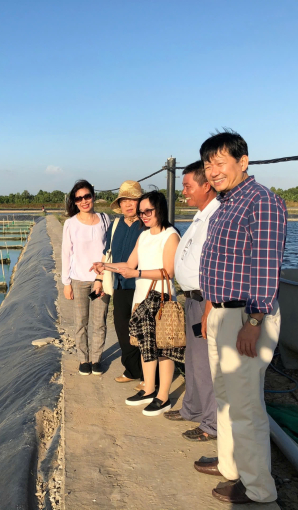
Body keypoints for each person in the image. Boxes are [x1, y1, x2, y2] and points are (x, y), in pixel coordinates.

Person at [193, 130, 287, 505]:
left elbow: (266, 265)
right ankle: (232, 466)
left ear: (242, 161)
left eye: (220, 162)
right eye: (207, 164)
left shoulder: (260, 202)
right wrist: (210, 310)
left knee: (246, 405)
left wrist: (254, 320)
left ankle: (258, 488)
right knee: (227, 397)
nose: (213, 171)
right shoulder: (228, 202)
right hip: (222, 312)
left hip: (246, 316)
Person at [96, 191, 181, 416]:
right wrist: (106, 266)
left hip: (162, 299)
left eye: (148, 211)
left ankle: (163, 396)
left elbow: (168, 272)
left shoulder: (170, 235)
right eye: (141, 212)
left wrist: (138, 272)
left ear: (160, 209)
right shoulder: (143, 235)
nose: (144, 215)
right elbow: (129, 263)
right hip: (141, 298)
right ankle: (148, 389)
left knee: (163, 348)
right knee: (145, 345)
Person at [164, 161, 219, 443]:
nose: (183, 192)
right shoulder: (201, 216)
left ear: (206, 185)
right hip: (192, 299)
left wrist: (209, 305)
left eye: (188, 186)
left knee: (206, 364)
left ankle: (211, 423)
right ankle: (193, 408)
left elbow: (215, 267)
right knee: (193, 359)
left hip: (205, 298)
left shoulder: (216, 216)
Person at [95, 181, 146, 385]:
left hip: (141, 284)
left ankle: (149, 375)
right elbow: (106, 254)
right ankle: (132, 369)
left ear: (140, 202)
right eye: (124, 200)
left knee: (143, 331)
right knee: (122, 329)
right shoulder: (115, 225)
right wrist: (99, 278)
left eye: (133, 200)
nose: (128, 204)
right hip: (119, 285)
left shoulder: (146, 225)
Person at [61, 180, 111, 376]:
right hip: (79, 280)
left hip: (101, 279)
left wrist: (102, 275)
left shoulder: (105, 219)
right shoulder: (70, 224)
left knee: (100, 321)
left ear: (93, 196)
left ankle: (97, 359)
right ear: (74, 201)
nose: (84, 201)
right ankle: (83, 359)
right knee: (81, 322)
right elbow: (66, 253)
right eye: (79, 198)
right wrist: (67, 283)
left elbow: (109, 249)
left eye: (87, 196)